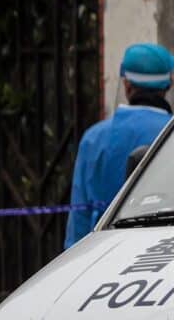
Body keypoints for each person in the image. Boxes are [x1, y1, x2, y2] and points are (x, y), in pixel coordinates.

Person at [64, 43, 174, 247]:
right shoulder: (170, 135)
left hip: (102, 257)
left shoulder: (94, 139)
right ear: (168, 85)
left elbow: (79, 221)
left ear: (126, 84)